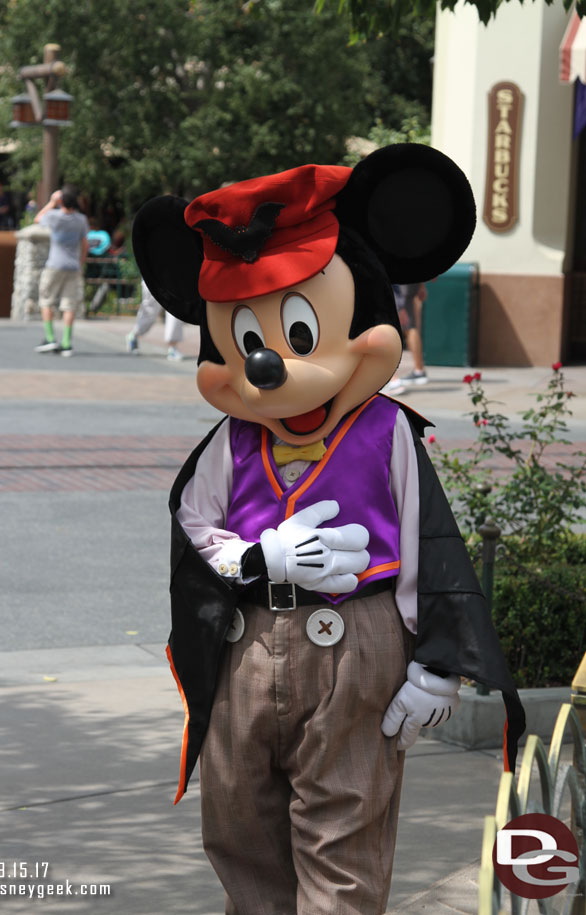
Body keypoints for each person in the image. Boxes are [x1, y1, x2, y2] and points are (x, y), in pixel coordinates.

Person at [132, 146, 525, 915]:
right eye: (247, 343)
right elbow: (195, 525)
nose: (270, 368)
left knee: (344, 834)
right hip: (247, 643)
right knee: (239, 823)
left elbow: (431, 545)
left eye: (299, 332)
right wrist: (255, 556)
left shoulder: (386, 433)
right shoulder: (231, 442)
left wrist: (437, 664)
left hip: (359, 646)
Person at [33, 185, 89, 357]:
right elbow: (85, 244)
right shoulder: (81, 220)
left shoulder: (54, 216)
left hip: (54, 265)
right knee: (69, 305)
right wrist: (81, 263)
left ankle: (50, 339)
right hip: (72, 266)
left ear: (61, 201)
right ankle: (66, 343)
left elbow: (37, 219)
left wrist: (51, 202)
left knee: (46, 300)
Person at [125, 280, 185, 361]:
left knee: (176, 309)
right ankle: (134, 335)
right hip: (153, 276)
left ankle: (172, 347)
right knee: (150, 312)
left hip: (174, 277)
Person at [386, 283, 428, 394]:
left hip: (397, 285)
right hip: (407, 283)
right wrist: (422, 284)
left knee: (390, 327)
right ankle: (418, 371)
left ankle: (392, 379)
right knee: (409, 326)